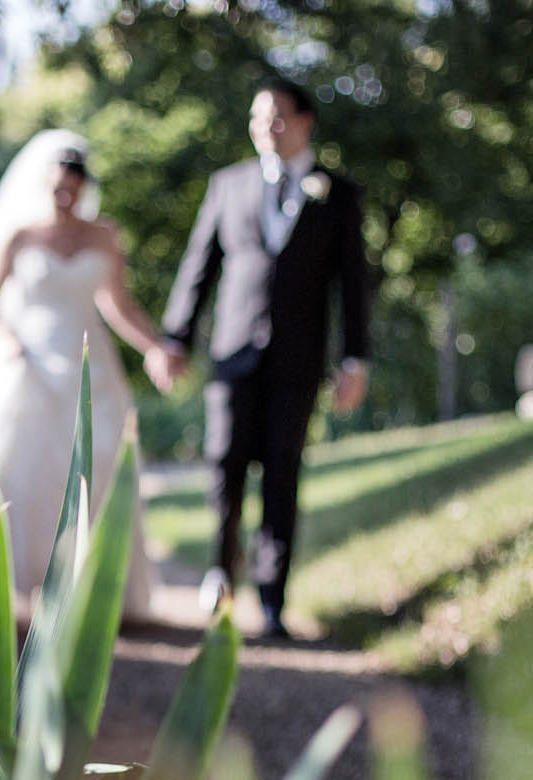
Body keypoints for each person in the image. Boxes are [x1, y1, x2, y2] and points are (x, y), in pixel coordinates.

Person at [0, 130, 175, 625]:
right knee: (17, 464)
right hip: (28, 362)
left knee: (95, 463)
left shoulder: (104, 235)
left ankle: (90, 585)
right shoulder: (18, 236)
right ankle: (7, 580)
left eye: (74, 185)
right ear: (44, 184)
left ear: (83, 187)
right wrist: (11, 343)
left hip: (89, 364)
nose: (66, 194)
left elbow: (118, 305)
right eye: (59, 185)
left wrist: (156, 346)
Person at [157, 76, 372, 639]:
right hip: (231, 356)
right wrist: (174, 338)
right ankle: (218, 578)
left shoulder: (339, 193)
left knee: (282, 472)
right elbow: (197, 268)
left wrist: (355, 360)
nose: (265, 128)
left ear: (305, 122)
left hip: (299, 362)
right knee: (224, 465)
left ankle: (273, 600)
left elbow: (354, 284)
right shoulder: (227, 185)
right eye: (257, 118)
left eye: (277, 117)